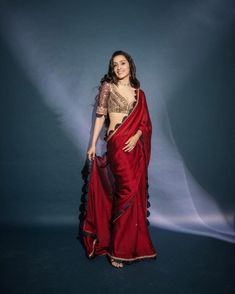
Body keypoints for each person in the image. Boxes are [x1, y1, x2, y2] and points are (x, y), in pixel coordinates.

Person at [82, 50, 157, 269]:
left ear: (130, 65)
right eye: (115, 65)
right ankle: (117, 250)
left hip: (134, 145)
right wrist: (93, 143)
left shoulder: (139, 94)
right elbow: (99, 117)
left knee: (134, 193)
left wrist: (136, 136)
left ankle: (130, 246)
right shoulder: (108, 87)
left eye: (122, 63)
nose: (118, 68)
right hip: (117, 144)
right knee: (126, 192)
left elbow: (146, 124)